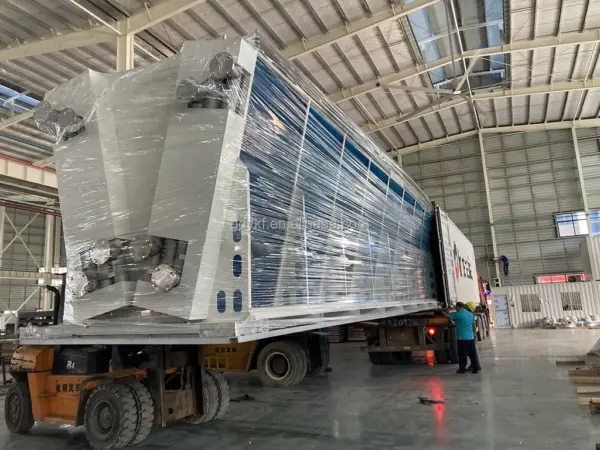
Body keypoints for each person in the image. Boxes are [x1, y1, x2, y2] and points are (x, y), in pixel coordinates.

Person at [449, 302, 481, 374]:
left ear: (459, 306)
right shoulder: (470, 314)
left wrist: (442, 313)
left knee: (462, 355)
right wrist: (473, 334)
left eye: (456, 307)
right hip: (471, 338)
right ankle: (475, 369)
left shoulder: (458, 314)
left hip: (462, 339)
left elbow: (448, 316)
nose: (455, 308)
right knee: (472, 354)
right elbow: (474, 326)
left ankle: (462, 369)